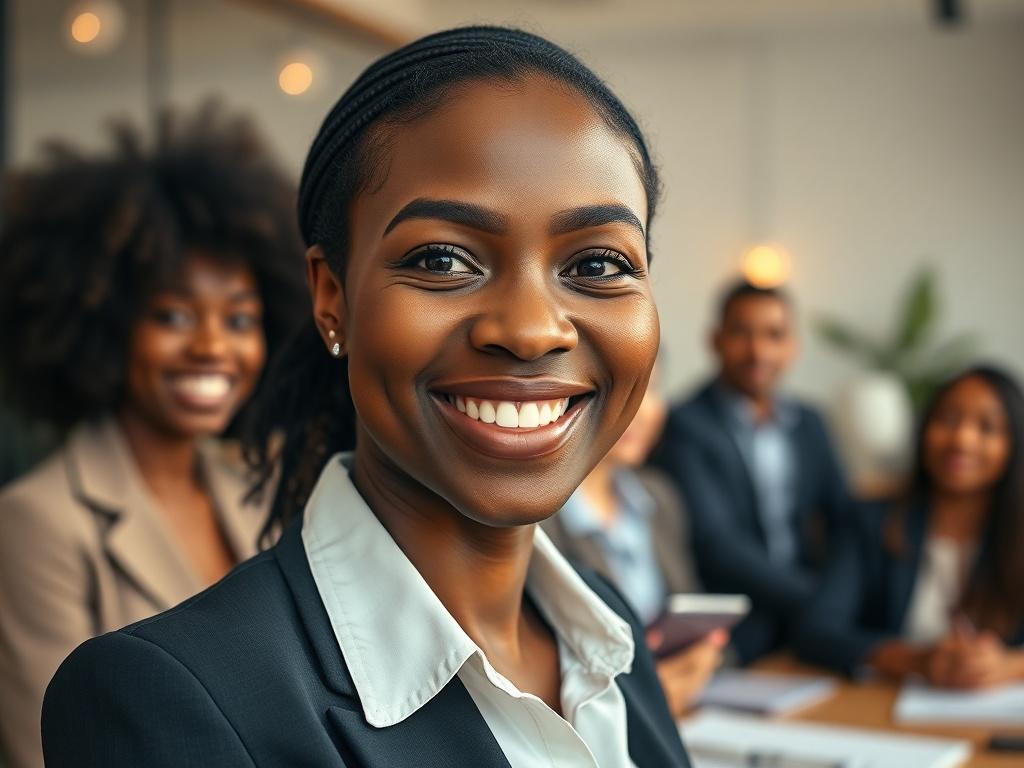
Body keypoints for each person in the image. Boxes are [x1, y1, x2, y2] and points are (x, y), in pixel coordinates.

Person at [41, 27, 691, 767]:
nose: (531, 329)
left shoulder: (609, 630)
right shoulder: (170, 700)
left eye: (599, 263)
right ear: (332, 298)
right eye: (443, 259)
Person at [0, 107, 308, 768]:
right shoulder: (38, 523)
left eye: (239, 318)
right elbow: (49, 751)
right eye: (171, 314)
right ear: (103, 322)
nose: (212, 346)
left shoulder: (254, 491)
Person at [650, 280, 850, 664]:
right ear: (715, 339)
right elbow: (717, 545)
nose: (759, 351)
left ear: (792, 346)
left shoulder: (811, 423)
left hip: (811, 614)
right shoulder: (685, 425)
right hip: (736, 622)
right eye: (742, 333)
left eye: (774, 335)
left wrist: (840, 595)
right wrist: (817, 597)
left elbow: (842, 516)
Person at [795, 365, 1024, 686]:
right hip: (883, 708)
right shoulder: (870, 522)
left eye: (987, 427)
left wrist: (1010, 664)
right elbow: (816, 630)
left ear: (1014, 445)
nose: (962, 439)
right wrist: (916, 659)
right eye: (948, 419)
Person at [544, 369, 727, 717]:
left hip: (687, 710)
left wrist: (702, 654)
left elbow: (687, 602)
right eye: (621, 386)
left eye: (652, 388)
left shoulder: (660, 496)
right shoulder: (538, 519)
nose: (640, 410)